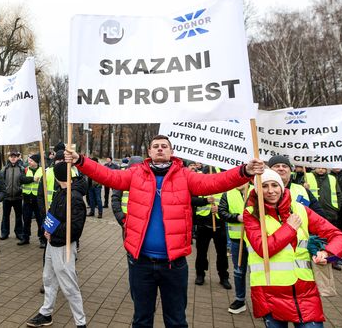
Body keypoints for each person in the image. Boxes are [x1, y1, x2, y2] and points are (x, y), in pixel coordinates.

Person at [64, 135, 265, 327]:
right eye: (156, 146)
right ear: (149, 152)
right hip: (140, 262)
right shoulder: (135, 174)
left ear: (171, 151)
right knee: (141, 319)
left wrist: (244, 171)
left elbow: (215, 182)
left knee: (176, 320)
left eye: (164, 146)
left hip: (174, 265)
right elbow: (108, 175)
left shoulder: (185, 176)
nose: (160, 149)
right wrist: (80, 161)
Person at [243, 168, 342, 327]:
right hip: (270, 293)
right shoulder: (251, 214)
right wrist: (290, 228)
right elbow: (263, 249)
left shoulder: (300, 209)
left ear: (282, 186)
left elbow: (339, 237)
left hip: (305, 291)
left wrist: (327, 252)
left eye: (274, 185)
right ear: (257, 190)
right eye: (264, 186)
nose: (271, 191)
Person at [26, 161, 88, 328]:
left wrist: (54, 233)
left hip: (63, 246)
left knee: (69, 286)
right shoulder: (61, 192)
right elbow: (52, 215)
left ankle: (81, 323)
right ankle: (46, 313)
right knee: (48, 279)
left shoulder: (74, 197)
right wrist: (46, 229)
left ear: (58, 175)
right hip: (52, 244)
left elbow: (75, 228)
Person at [219, 182, 251, 313]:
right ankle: (240, 299)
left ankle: (262, 302)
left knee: (257, 272)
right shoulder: (228, 193)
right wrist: (237, 217)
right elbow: (222, 212)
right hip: (236, 240)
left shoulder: (258, 191)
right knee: (238, 271)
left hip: (255, 240)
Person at [191, 182, 231, 289]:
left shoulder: (223, 187)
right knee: (201, 252)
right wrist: (205, 201)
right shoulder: (198, 186)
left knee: (222, 253)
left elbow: (229, 203)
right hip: (202, 224)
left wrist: (220, 208)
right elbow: (191, 200)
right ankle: (200, 274)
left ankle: (224, 277)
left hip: (219, 224)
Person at [0, 150, 24, 241]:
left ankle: (19, 233)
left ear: (18, 158)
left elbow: (24, 181)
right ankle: (4, 232)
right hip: (6, 197)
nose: (13, 158)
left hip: (18, 197)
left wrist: (20, 190)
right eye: (11, 156)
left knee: (18, 216)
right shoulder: (4, 169)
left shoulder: (21, 169)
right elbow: (1, 182)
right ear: (9, 158)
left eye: (15, 156)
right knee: (5, 216)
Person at [19, 153, 43, 246]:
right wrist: (33, 179)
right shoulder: (25, 170)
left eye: (31, 160)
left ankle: (42, 239)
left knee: (40, 220)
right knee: (26, 219)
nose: (29, 162)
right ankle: (25, 238)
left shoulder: (42, 170)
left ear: (36, 162)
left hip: (38, 199)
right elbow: (21, 179)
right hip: (27, 199)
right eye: (29, 160)